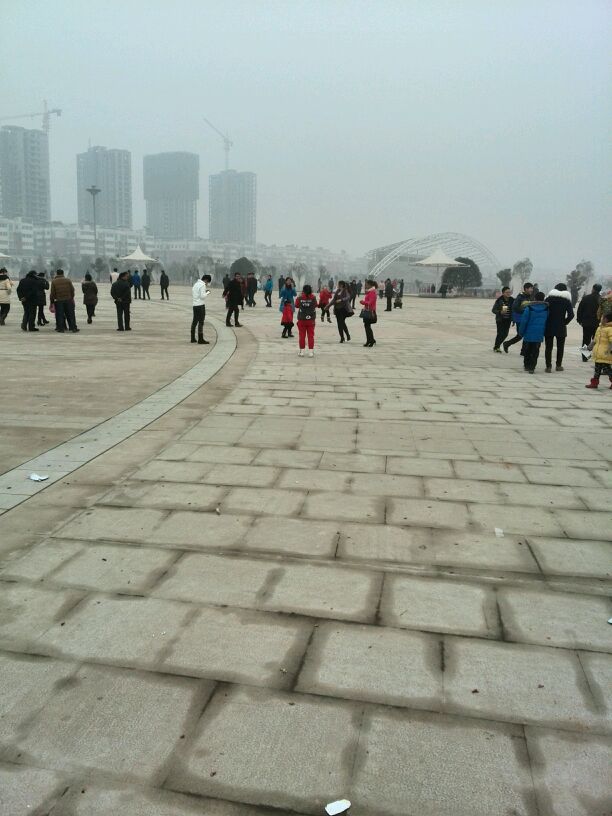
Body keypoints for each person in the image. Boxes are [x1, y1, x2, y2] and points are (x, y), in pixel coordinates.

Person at [544, 283, 574, 372]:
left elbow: (544, 311)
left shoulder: (548, 299)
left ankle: (548, 366)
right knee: (560, 347)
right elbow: (571, 315)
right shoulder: (566, 300)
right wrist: (565, 322)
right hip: (561, 326)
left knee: (548, 347)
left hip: (549, 325)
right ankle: (558, 365)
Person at [518, 291, 548, 373]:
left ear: (535, 298)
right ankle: (532, 367)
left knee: (527, 350)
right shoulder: (546, 309)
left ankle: (526, 365)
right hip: (539, 333)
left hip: (528, 333)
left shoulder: (529, 308)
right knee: (535, 351)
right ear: (543, 299)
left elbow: (524, 321)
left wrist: (521, 332)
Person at [503, 282, 534, 353]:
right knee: (521, 335)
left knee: (523, 334)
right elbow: (515, 307)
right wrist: (525, 311)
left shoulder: (529, 296)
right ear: (526, 289)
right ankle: (507, 344)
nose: (532, 290)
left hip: (525, 318)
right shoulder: (520, 297)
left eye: (532, 288)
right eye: (530, 288)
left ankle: (522, 351)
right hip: (519, 319)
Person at [585, 313, 612, 389]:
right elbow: (595, 339)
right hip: (598, 353)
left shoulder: (610, 329)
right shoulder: (599, 328)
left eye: (603, 318)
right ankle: (594, 383)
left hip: (606, 353)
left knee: (607, 369)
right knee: (597, 370)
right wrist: (590, 346)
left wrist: (610, 350)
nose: (601, 319)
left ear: (607, 320)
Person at [577, 283, 602, 348]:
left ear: (593, 289)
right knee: (596, 340)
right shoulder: (602, 299)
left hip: (586, 323)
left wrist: (579, 320)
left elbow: (580, 310)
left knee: (586, 340)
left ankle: (585, 354)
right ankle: (594, 353)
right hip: (597, 323)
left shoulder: (586, 298)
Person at [295, 284, 317, 356]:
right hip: (311, 319)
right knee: (311, 336)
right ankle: (311, 351)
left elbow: (296, 305)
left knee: (302, 336)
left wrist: (299, 297)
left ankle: (302, 351)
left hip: (302, 319)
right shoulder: (313, 297)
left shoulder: (300, 297)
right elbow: (316, 305)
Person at [491, 287, 514, 352]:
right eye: (507, 292)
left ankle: (497, 345)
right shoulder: (499, 300)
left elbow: (514, 310)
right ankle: (496, 347)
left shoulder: (512, 300)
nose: (508, 293)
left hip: (508, 320)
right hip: (500, 320)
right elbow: (493, 310)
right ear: (503, 293)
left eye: (509, 292)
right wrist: (500, 312)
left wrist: (513, 319)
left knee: (505, 334)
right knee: (500, 334)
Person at [191, 273, 211, 344]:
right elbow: (202, 296)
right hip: (200, 305)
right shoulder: (202, 285)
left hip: (195, 305)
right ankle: (200, 339)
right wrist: (207, 293)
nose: (207, 284)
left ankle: (192, 338)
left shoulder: (196, 284)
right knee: (201, 322)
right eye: (208, 282)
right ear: (206, 280)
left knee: (194, 321)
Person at [360, 278, 378, 347]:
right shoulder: (370, 292)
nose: (365, 286)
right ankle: (370, 340)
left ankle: (370, 341)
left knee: (367, 326)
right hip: (368, 310)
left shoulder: (372, 292)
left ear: (370, 285)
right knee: (367, 326)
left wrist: (363, 302)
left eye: (366, 284)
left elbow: (370, 303)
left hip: (370, 311)